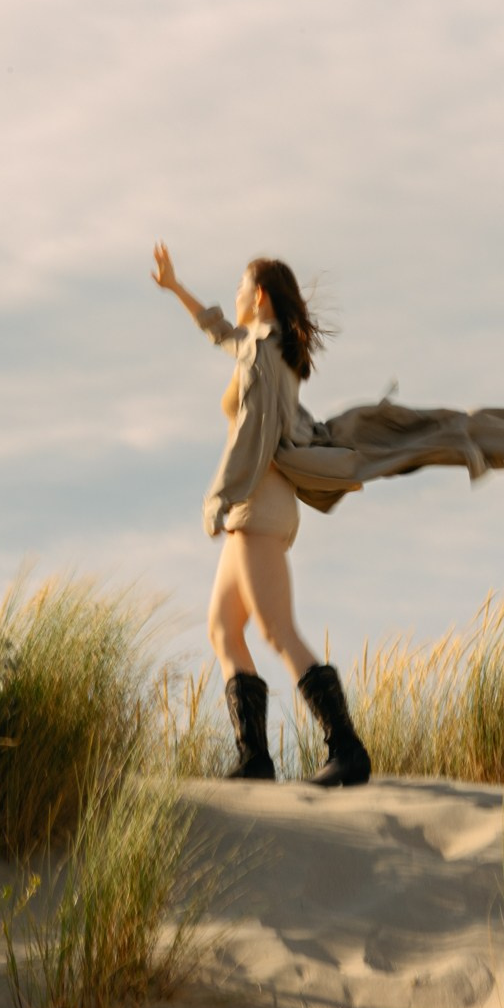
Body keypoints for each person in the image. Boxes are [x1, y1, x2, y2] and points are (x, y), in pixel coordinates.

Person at [151, 241, 371, 788]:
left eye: (240, 287)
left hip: (257, 504)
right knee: (224, 629)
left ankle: (346, 749)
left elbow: (253, 430)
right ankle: (255, 760)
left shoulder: (263, 351)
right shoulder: (264, 347)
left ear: (260, 296)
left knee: (276, 630)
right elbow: (220, 330)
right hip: (257, 506)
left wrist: (220, 497)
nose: (235, 295)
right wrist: (175, 287)